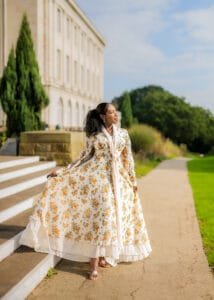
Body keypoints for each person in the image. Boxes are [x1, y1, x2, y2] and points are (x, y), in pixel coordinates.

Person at [19, 102, 152, 280]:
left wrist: (133, 181)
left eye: (115, 112)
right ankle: (94, 261)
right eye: (111, 112)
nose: (115, 115)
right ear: (103, 116)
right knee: (102, 215)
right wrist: (62, 172)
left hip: (119, 181)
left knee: (112, 218)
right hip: (98, 178)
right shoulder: (94, 136)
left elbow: (128, 160)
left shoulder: (123, 134)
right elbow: (83, 157)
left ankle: (106, 255)